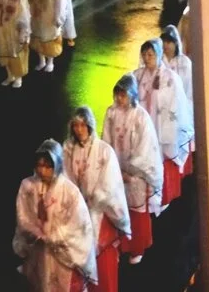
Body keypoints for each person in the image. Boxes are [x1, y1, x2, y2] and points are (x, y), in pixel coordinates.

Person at [62, 107, 131, 292]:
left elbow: (110, 184)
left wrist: (94, 199)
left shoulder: (104, 151)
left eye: (83, 125)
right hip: (77, 214)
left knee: (103, 261)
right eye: (75, 125)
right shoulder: (67, 149)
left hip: (100, 214)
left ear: (89, 125)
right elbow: (64, 179)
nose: (79, 129)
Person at [13, 139, 96, 291]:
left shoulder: (70, 192)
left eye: (47, 166)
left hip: (63, 255)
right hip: (39, 253)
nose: (42, 171)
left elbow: (79, 225)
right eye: (39, 165)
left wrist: (54, 236)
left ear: (57, 166)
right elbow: (22, 216)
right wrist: (35, 231)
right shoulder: (28, 186)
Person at [102, 74, 162, 265]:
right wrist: (112, 169)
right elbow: (107, 141)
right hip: (117, 172)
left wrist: (132, 173)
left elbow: (145, 148)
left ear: (132, 94)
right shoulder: (111, 112)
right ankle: (123, 245)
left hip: (135, 176)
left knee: (136, 212)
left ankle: (138, 247)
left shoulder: (141, 117)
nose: (119, 99)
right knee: (118, 209)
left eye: (123, 94)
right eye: (117, 94)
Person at [133, 39, 193, 209]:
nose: (146, 58)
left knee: (159, 159)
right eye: (144, 54)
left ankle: (162, 196)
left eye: (150, 54)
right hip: (145, 127)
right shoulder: (137, 75)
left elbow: (175, 105)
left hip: (161, 127)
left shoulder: (170, 78)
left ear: (158, 55)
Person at [160, 25, 195, 178]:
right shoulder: (159, 63)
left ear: (176, 43)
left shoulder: (185, 63)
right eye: (164, 42)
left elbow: (189, 91)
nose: (167, 46)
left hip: (181, 111)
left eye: (170, 42)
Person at [24, 0, 66, 74]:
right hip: (36, 17)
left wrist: (59, 17)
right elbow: (25, 0)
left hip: (50, 17)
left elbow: (60, 1)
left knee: (49, 40)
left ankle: (50, 62)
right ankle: (41, 60)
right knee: (37, 39)